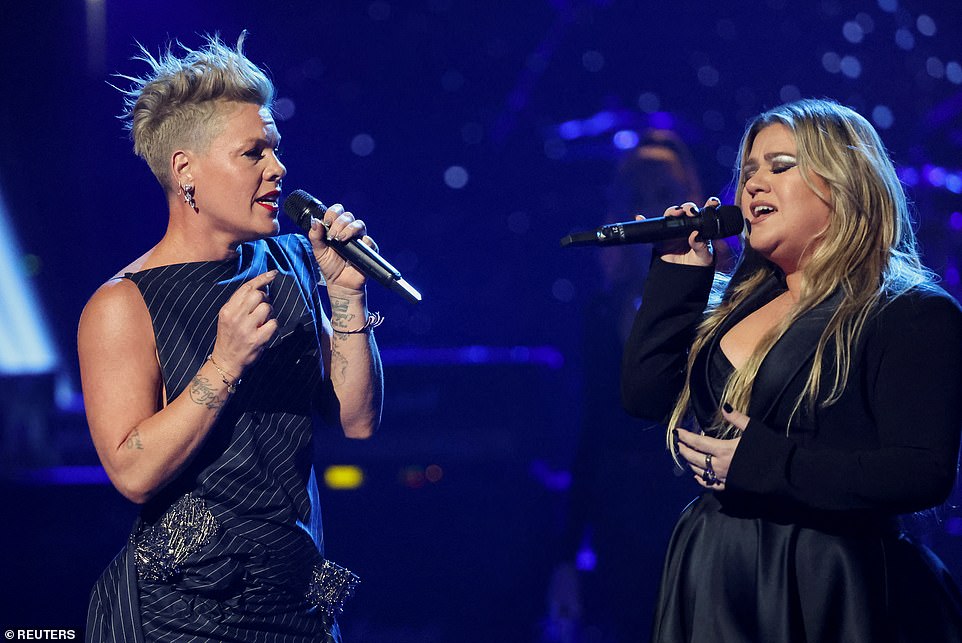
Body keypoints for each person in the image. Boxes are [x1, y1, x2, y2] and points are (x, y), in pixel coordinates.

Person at [78, 33, 383, 642]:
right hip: (183, 613)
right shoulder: (122, 304)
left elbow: (357, 421)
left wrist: (348, 296)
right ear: (185, 169)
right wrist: (223, 362)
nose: (278, 168)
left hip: (296, 601)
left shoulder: (291, 258)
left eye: (275, 148)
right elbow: (131, 474)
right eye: (253, 153)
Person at [621, 99, 962, 641]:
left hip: (826, 577)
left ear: (844, 184)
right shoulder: (736, 304)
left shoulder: (908, 311)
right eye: (749, 171)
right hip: (717, 570)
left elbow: (920, 472)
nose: (754, 185)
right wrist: (674, 280)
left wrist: (765, 464)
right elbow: (645, 396)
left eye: (780, 167)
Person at [546, 130, 712, 642]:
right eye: (637, 192)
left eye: (663, 190)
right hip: (623, 506)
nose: (651, 204)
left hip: (696, 493)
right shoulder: (601, 310)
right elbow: (592, 427)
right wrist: (567, 554)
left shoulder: (720, 296)